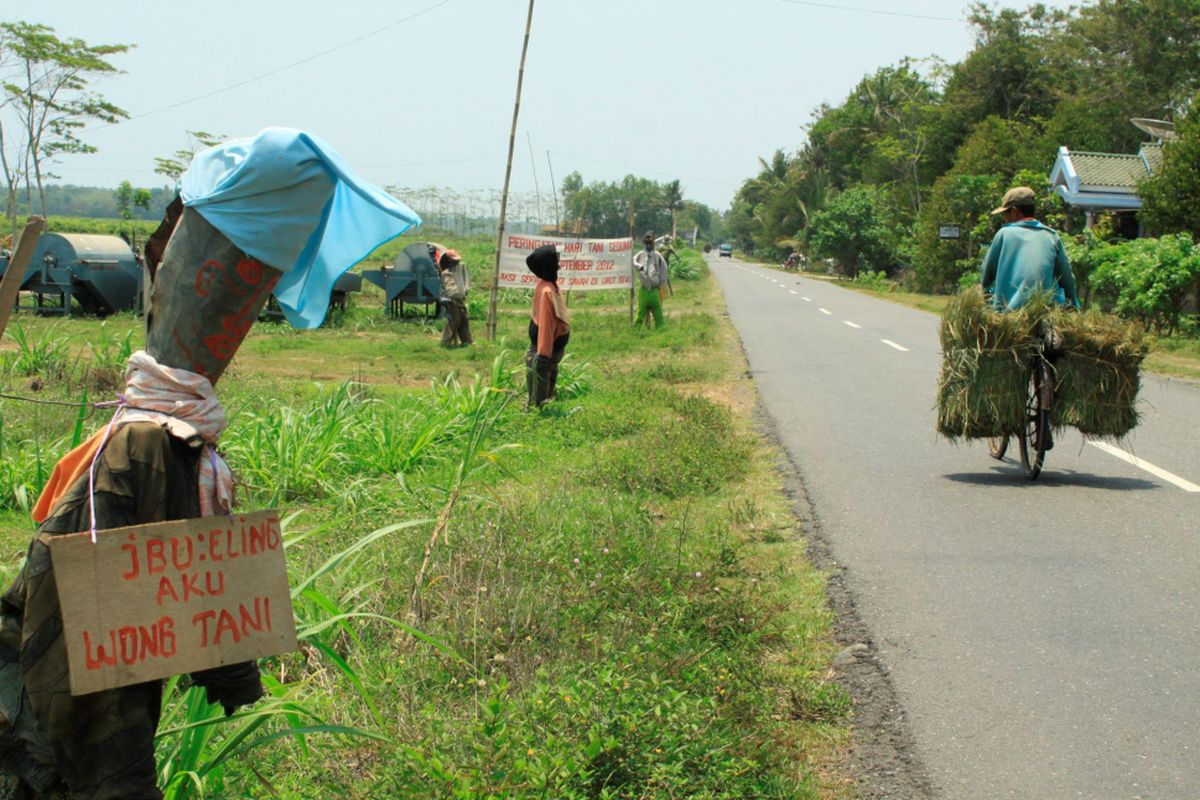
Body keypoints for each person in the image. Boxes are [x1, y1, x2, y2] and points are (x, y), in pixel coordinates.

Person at [980, 186, 1080, 311]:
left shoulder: (1004, 234)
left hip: (1007, 313)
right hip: (1042, 313)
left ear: (1015, 212)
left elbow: (987, 275)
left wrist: (984, 300)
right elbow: (1067, 279)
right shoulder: (1051, 236)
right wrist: (1073, 307)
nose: (1004, 218)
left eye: (1005, 213)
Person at [525, 244, 570, 407]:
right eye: (555, 258)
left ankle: (541, 407)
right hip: (545, 352)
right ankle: (538, 413)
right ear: (548, 263)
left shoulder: (548, 285)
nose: (559, 260)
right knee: (540, 397)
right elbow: (546, 325)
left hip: (551, 352)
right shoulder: (547, 292)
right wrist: (543, 356)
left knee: (546, 388)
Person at [433, 245, 472, 347]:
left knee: (463, 320)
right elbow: (451, 290)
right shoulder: (446, 273)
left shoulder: (458, 269)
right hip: (451, 300)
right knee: (454, 320)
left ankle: (467, 341)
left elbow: (463, 284)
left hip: (459, 298)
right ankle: (445, 342)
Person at [633, 232, 668, 328]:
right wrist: (638, 266)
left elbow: (664, 269)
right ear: (644, 243)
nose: (649, 244)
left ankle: (660, 329)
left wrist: (662, 284)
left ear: (653, 243)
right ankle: (637, 328)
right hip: (644, 289)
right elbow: (633, 260)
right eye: (647, 241)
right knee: (641, 312)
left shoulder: (657, 255)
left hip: (655, 290)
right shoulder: (640, 254)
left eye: (650, 241)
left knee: (658, 313)